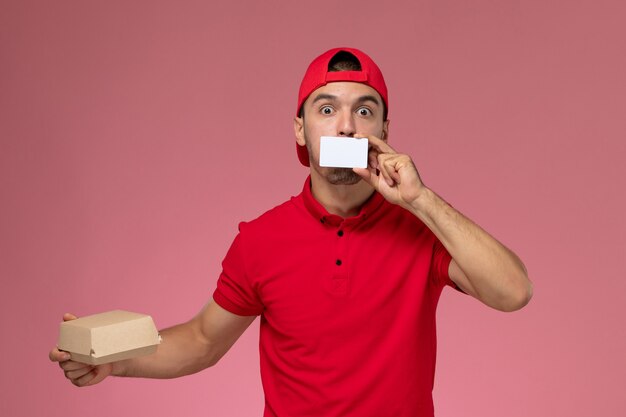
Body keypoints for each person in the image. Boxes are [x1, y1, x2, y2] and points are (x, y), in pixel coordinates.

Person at [50, 47, 532, 416]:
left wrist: (422, 201)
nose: (346, 126)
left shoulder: (422, 228)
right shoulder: (260, 240)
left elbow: (513, 292)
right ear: (300, 130)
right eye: (326, 110)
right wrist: (115, 362)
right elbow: (201, 341)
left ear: (386, 128)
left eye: (364, 111)